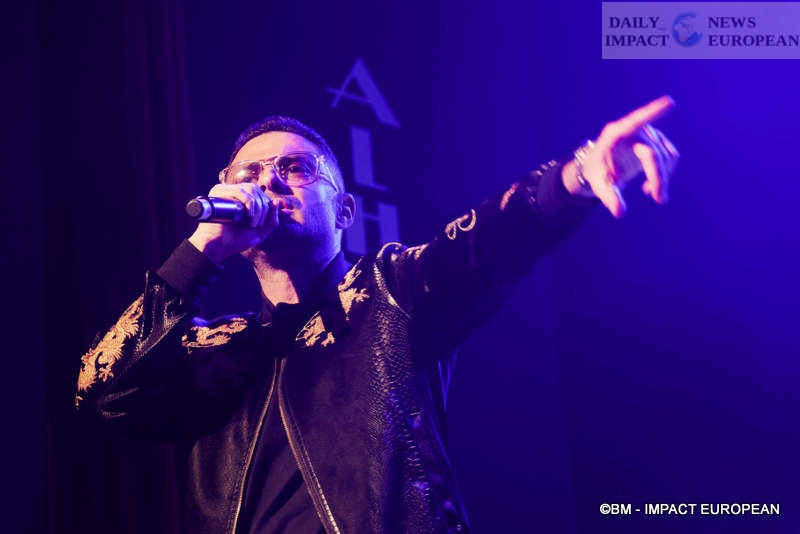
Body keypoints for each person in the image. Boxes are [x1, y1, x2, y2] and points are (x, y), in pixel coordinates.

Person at [75, 96, 680, 534]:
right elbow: (100, 392)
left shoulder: (391, 291)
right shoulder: (216, 350)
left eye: (294, 168)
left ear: (343, 212)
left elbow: (486, 243)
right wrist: (199, 251)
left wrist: (576, 175)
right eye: (248, 174)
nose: (268, 183)